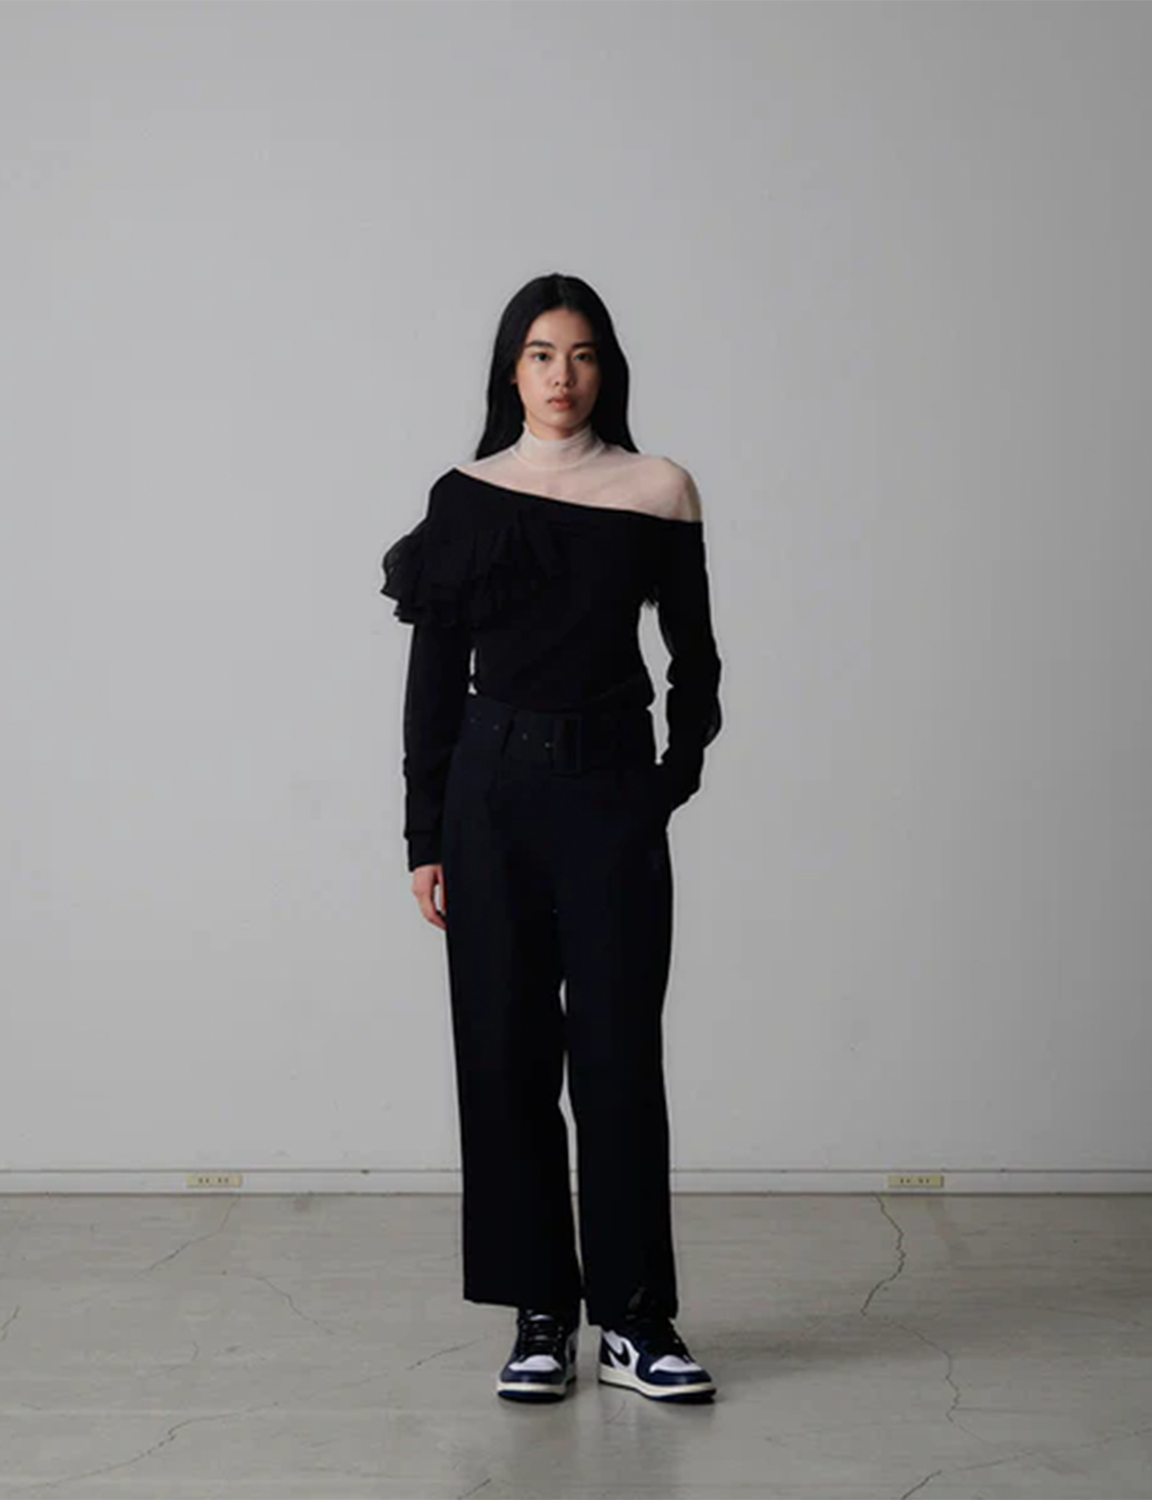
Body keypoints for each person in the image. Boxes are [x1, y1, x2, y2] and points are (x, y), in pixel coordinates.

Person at [379, 272, 723, 1404]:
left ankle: (636, 1321)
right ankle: (539, 1315)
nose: (560, 375)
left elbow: (695, 656)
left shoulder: (658, 488)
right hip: (489, 799)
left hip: (610, 791)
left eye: (579, 354)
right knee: (505, 1053)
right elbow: (433, 684)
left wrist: (668, 779)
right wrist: (425, 834)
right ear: (511, 371)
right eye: (539, 354)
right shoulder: (466, 496)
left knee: (619, 1056)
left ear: (605, 367)